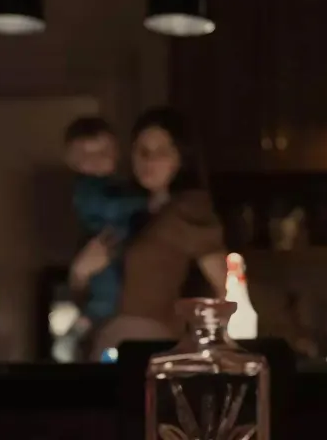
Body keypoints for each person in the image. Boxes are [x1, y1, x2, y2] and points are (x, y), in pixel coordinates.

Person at [91, 108, 228, 357]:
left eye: (161, 152)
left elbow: (225, 285)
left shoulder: (188, 209)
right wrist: (80, 273)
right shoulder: (124, 210)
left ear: (181, 158)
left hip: (153, 344)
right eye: (141, 151)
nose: (148, 160)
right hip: (109, 340)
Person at [64, 116, 147, 335]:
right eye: (86, 155)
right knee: (106, 286)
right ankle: (91, 317)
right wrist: (144, 201)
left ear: (116, 153)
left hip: (115, 246)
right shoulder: (86, 189)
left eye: (103, 153)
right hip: (103, 246)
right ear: (72, 161)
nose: (96, 161)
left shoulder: (115, 185)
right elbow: (112, 208)